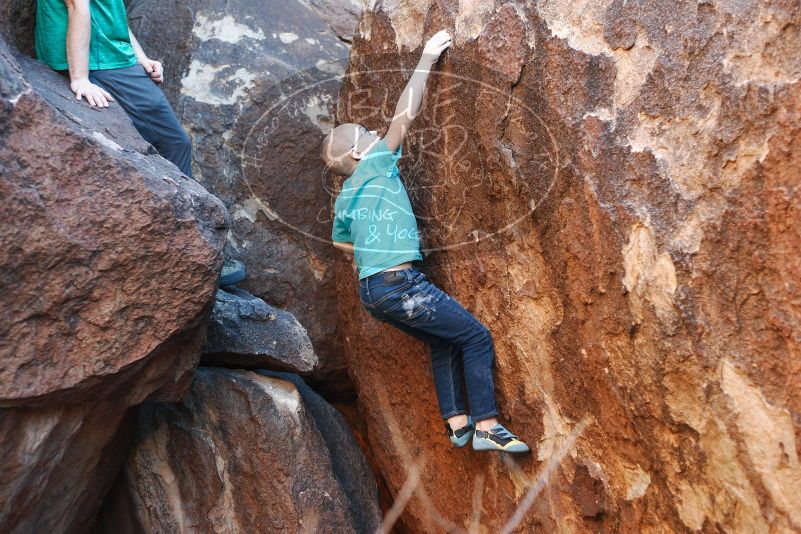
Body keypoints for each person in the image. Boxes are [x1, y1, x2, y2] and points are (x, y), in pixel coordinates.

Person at [320, 30, 530, 453]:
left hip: (372, 291)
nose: (378, 133)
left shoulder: (345, 197)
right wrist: (427, 58)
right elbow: (404, 114)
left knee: (441, 338)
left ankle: (457, 422)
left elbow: (338, 241)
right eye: (368, 133)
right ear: (361, 154)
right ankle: (488, 424)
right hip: (400, 285)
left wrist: (367, 256)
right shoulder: (377, 164)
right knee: (475, 337)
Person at [34, 0, 246, 286]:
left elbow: (111, 13)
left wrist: (140, 58)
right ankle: (199, 247)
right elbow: (78, 7)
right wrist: (80, 78)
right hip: (101, 62)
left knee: (162, 147)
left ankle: (190, 244)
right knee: (173, 143)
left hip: (109, 57)